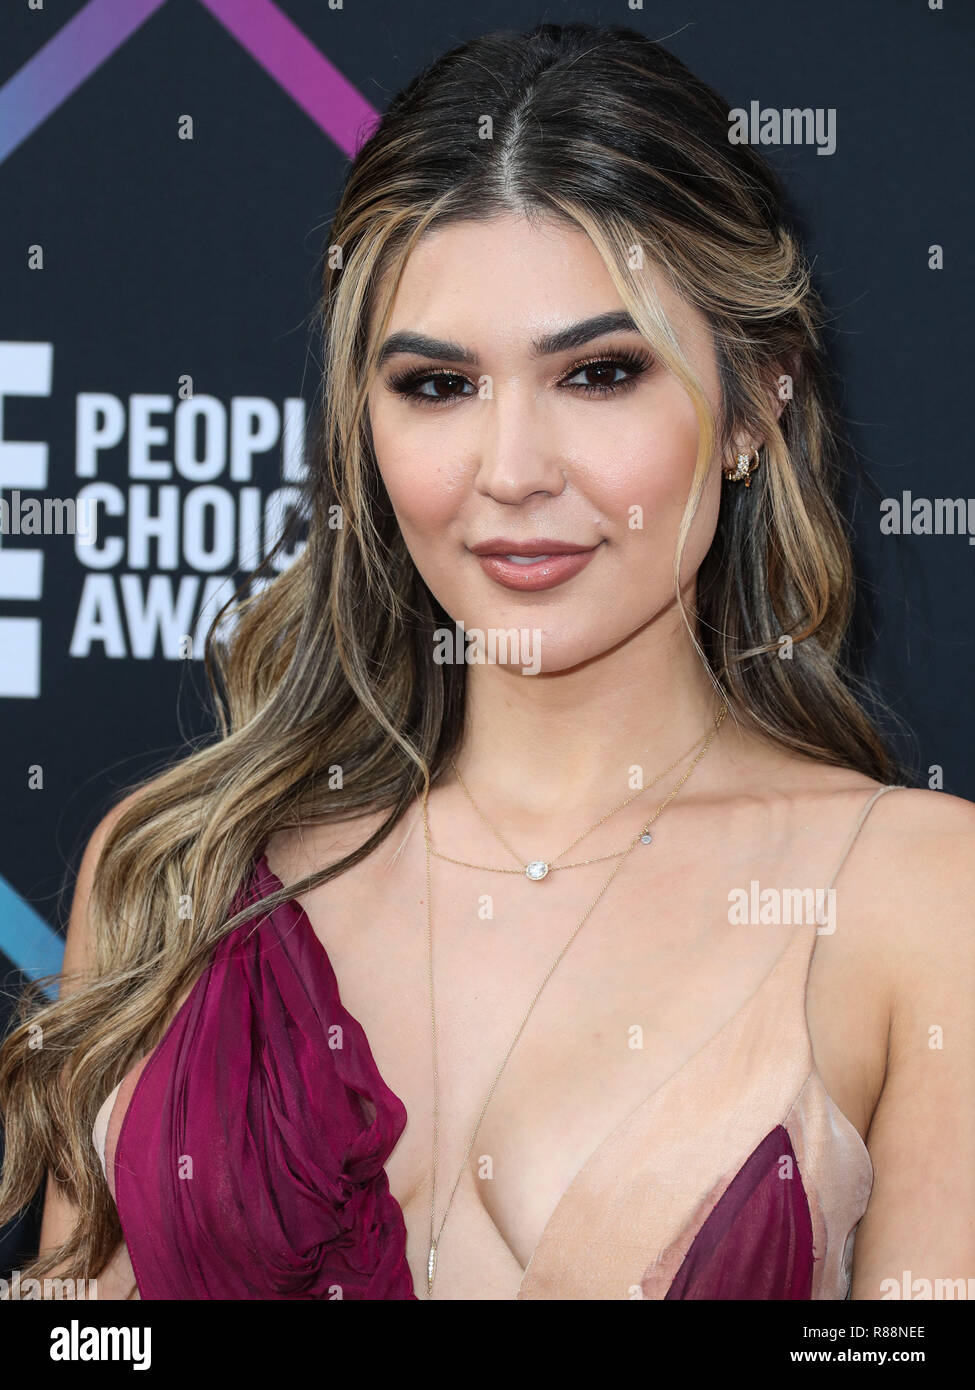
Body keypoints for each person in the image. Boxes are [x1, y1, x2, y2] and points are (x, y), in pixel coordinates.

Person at [1, 21, 972, 1302]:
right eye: (440, 386)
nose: (511, 471)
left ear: (754, 404)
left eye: (601, 372)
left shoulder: (919, 900)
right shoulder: (175, 875)